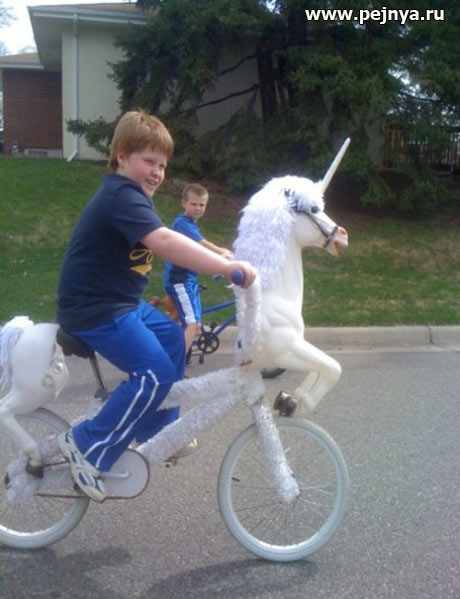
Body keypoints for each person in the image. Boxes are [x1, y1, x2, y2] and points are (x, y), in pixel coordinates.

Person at [56, 110, 256, 503]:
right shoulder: (120, 196)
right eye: (149, 161)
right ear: (121, 156)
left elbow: (172, 239)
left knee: (174, 339)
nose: (157, 172)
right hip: (95, 310)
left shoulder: (132, 197)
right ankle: (86, 446)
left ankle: (158, 430)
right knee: (154, 373)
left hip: (122, 304)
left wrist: (218, 257)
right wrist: (225, 268)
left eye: (163, 165)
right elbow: (164, 243)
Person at [163, 183, 234, 353]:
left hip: (188, 279)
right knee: (193, 325)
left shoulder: (190, 223)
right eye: (193, 204)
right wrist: (221, 252)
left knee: (183, 320)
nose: (197, 208)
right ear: (184, 203)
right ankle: (174, 364)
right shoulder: (182, 223)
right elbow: (201, 244)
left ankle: (172, 349)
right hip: (180, 280)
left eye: (201, 205)